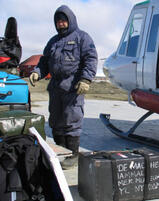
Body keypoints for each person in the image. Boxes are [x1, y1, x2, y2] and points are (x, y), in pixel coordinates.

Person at [29, 5, 98, 169]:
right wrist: (37, 72)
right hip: (55, 88)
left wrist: (86, 80)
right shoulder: (53, 41)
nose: (60, 23)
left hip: (73, 88)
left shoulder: (83, 38)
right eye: (58, 21)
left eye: (63, 20)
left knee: (71, 121)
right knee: (56, 121)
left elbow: (91, 59)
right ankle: (61, 153)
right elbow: (44, 61)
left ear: (70, 20)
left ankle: (72, 156)